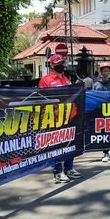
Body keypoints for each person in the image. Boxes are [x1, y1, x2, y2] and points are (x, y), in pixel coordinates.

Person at [38, 54, 82, 183]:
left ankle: (69, 169)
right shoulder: (45, 80)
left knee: (70, 144)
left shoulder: (66, 79)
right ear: (52, 65)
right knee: (56, 145)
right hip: (54, 118)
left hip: (69, 116)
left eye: (62, 63)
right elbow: (41, 100)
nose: (61, 65)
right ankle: (58, 172)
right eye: (58, 63)